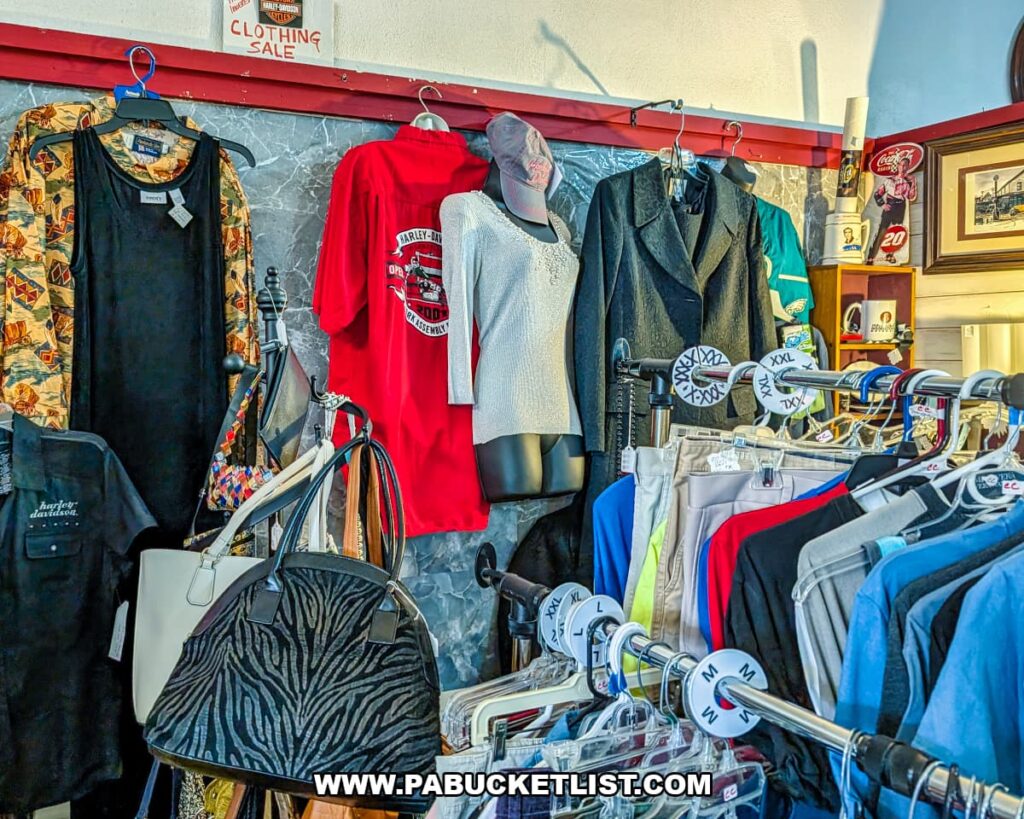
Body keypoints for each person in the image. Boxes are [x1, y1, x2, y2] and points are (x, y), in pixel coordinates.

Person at [867, 157, 917, 263]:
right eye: (901, 165)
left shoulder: (909, 180)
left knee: (897, 231)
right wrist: (883, 204)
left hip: (901, 206)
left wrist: (912, 184)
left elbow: (911, 197)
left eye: (905, 165)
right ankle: (871, 257)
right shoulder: (890, 180)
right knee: (882, 231)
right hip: (890, 204)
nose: (902, 168)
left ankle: (890, 255)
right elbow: (877, 194)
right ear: (897, 166)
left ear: (908, 167)